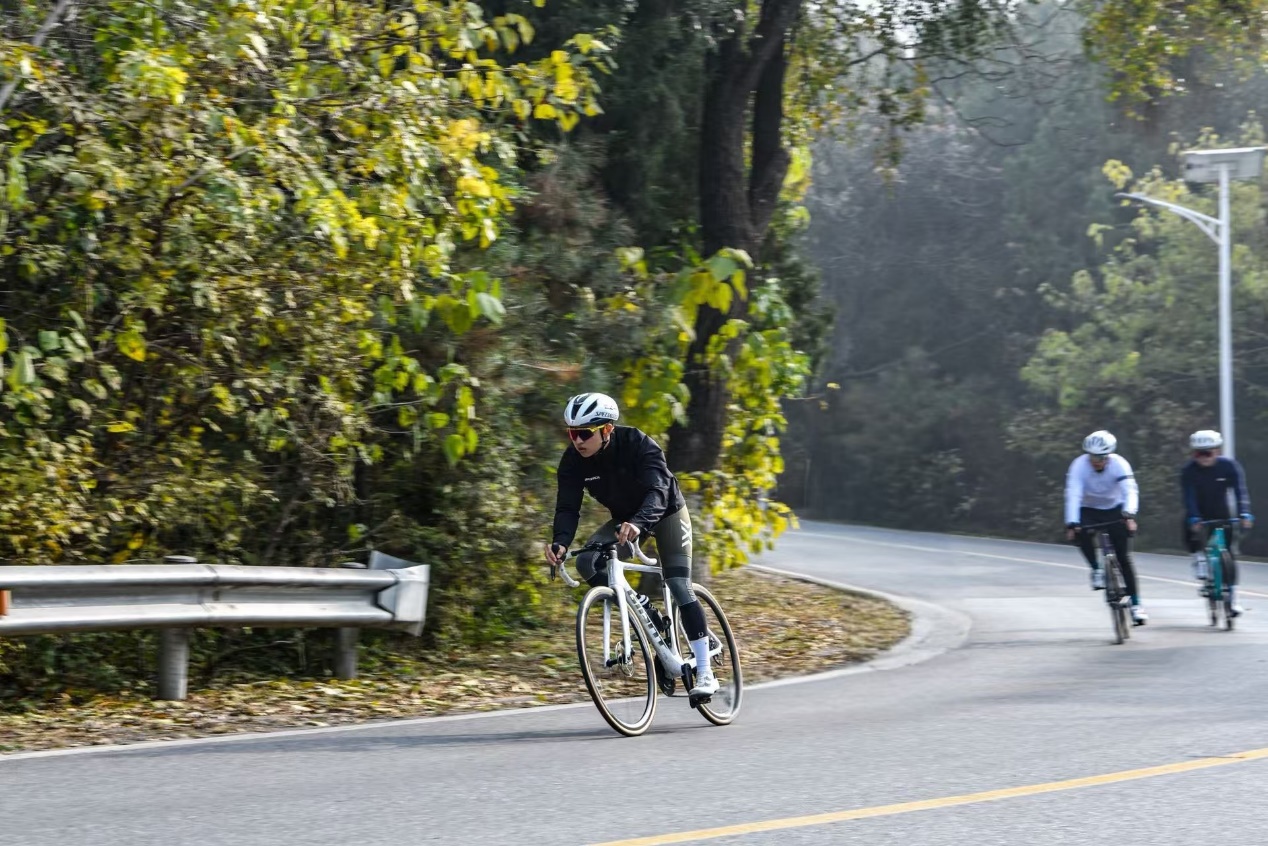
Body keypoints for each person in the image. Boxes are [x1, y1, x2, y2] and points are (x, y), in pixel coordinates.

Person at [543, 392, 717, 697]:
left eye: (585, 433)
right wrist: (560, 542)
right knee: (587, 562)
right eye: (572, 433)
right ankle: (647, 613)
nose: (578, 441)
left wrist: (639, 523)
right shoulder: (572, 461)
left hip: (666, 512)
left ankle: (705, 672)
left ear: (607, 429)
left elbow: (659, 490)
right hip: (624, 520)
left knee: (678, 584)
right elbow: (567, 508)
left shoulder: (637, 443)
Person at [1064, 430, 1146, 625]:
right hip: (1088, 508)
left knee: (1124, 558)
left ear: (1109, 455)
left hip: (1115, 508)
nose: (1097, 461)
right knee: (1080, 533)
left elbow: (1130, 491)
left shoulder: (1119, 464)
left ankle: (1136, 605)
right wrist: (1072, 523)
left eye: (1101, 457)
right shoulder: (1079, 466)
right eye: (1093, 457)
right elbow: (1073, 494)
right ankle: (1096, 569)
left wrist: (1129, 515)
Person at [1180, 429, 1253, 616]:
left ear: (1217, 451)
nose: (1204, 458)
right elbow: (1189, 497)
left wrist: (1244, 513)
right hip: (1199, 512)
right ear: (1193, 454)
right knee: (1189, 527)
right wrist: (1194, 517)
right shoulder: (1188, 471)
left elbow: (1240, 491)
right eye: (1199, 454)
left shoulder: (1229, 466)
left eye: (1208, 453)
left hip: (1222, 512)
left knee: (1229, 554)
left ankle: (1233, 599)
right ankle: (1198, 557)